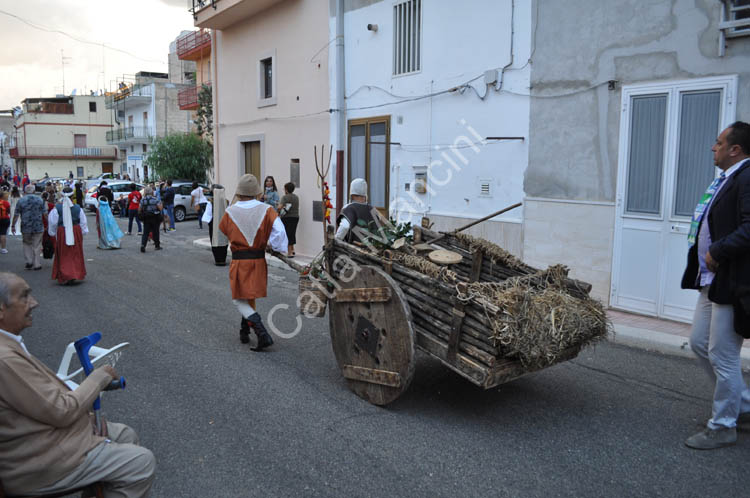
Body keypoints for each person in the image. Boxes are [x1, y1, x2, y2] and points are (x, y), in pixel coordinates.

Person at [0, 272, 156, 496]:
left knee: (125, 434)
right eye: (24, 298)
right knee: (141, 463)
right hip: (40, 461)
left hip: (46, 438)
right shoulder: (5, 359)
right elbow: (61, 410)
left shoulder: (9, 344)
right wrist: (99, 377)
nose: (34, 303)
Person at [680, 121, 750, 450]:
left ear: (735, 149)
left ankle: (723, 425)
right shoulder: (728, 178)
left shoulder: (747, 176)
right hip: (712, 279)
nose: (713, 147)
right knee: (698, 343)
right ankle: (744, 406)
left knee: (723, 355)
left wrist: (717, 251)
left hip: (733, 279)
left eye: (719, 142)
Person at [219, 174, 287, 351]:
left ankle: (262, 332)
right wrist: (275, 246)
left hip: (240, 260)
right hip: (258, 259)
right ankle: (244, 331)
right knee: (249, 296)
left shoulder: (230, 212)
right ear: (256, 191)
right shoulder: (267, 210)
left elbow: (224, 230)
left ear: (239, 192)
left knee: (239, 299)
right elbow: (280, 232)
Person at [48, 187, 88, 284]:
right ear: (72, 196)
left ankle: (65, 273)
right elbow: (83, 222)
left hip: (63, 231)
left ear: (62, 195)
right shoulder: (78, 208)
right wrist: (82, 232)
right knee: (75, 252)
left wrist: (52, 232)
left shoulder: (56, 208)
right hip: (75, 230)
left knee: (64, 252)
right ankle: (75, 273)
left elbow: (53, 222)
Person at [11, 185, 46, 271]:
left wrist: (13, 225)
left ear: (25, 192)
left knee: (27, 243)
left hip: (26, 225)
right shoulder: (40, 200)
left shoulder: (21, 201)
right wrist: (48, 223)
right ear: (34, 191)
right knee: (37, 244)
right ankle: (37, 264)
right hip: (38, 225)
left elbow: (16, 214)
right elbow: (45, 213)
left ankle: (29, 261)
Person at [335, 178, 377, 244]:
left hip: (352, 251)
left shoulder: (349, 208)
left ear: (351, 193)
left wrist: (336, 241)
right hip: (371, 249)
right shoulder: (372, 209)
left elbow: (345, 226)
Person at [205, 184, 229, 265]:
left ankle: (218, 260)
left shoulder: (210, 202)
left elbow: (208, 215)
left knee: (215, 240)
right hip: (224, 223)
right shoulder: (225, 201)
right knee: (223, 239)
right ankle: (223, 259)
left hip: (213, 224)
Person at [278, 182, 299, 257]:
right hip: (295, 217)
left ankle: (289, 252)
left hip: (287, 217)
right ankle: (293, 250)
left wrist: (278, 207)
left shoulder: (285, 197)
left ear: (286, 189)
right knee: (292, 233)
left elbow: (280, 207)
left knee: (287, 234)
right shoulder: (296, 197)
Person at [138, 186, 162, 253]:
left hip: (146, 218)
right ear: (151, 192)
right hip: (155, 217)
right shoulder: (155, 199)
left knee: (145, 232)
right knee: (156, 232)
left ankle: (143, 245)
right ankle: (157, 246)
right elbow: (160, 208)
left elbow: (139, 210)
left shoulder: (143, 200)